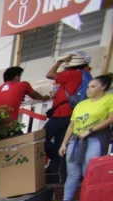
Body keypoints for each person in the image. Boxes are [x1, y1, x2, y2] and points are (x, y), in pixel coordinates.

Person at [55, 73, 113, 201]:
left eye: (93, 86)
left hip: (95, 138)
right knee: (72, 172)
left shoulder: (109, 99)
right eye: (88, 86)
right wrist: (64, 143)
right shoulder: (81, 104)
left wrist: (90, 130)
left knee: (90, 171)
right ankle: (66, 200)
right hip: (76, 139)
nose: (88, 89)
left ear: (103, 86)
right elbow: (71, 126)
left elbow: (110, 119)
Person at [46, 52, 93, 182]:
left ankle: (55, 163)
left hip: (61, 113)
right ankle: (58, 170)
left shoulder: (72, 74)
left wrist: (59, 61)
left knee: (41, 139)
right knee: (61, 143)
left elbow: (49, 74)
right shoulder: (84, 75)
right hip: (70, 114)